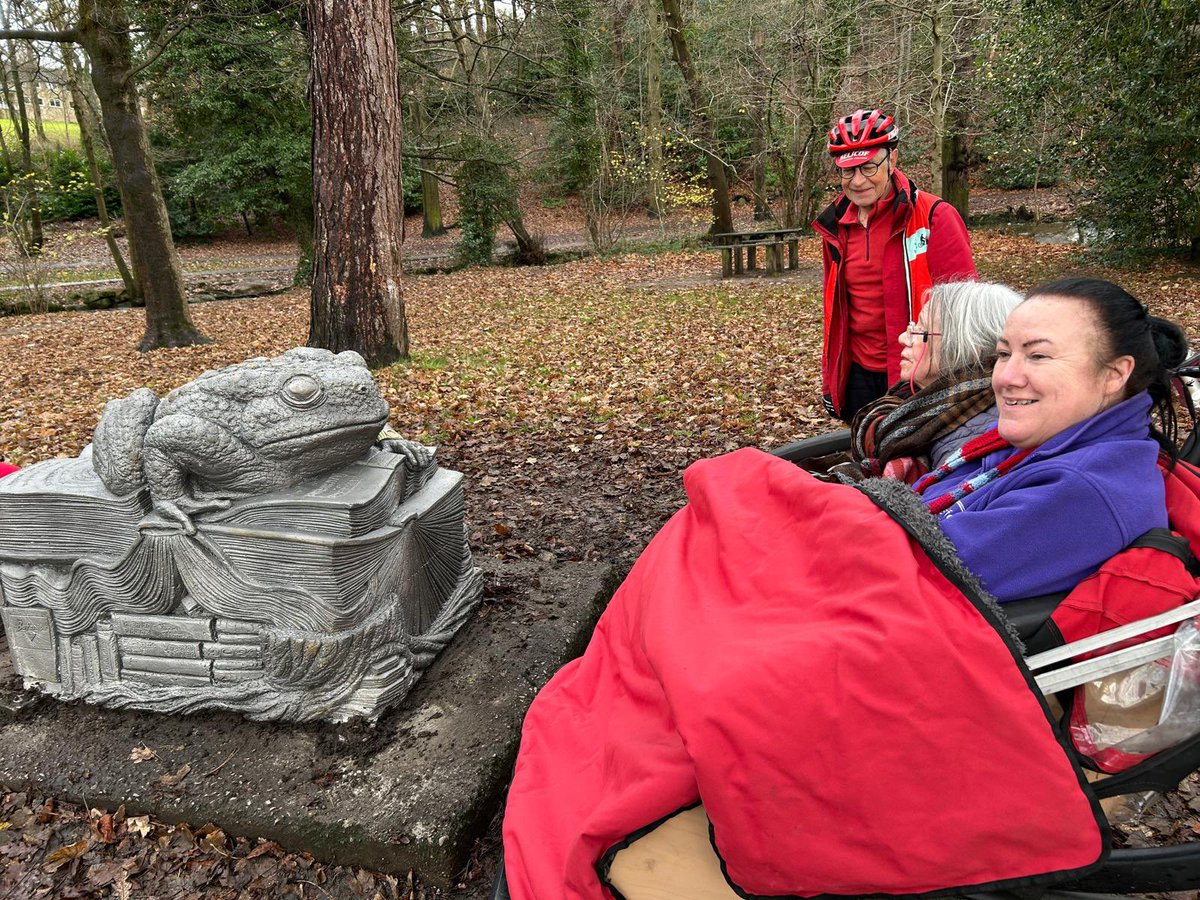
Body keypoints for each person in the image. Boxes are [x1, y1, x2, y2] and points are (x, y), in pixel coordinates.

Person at [916, 276, 1189, 601]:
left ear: (1114, 375)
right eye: (1004, 354)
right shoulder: (1035, 440)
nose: (1005, 377)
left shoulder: (1083, 491)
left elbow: (914, 573)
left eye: (1038, 356)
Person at [814, 108, 977, 423]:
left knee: (914, 465)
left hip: (918, 372)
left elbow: (966, 309)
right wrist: (831, 379)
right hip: (858, 373)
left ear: (892, 159)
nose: (858, 181)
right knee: (867, 457)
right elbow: (834, 313)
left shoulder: (934, 216)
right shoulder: (833, 226)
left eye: (869, 166)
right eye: (847, 171)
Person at [851, 280, 1022, 480]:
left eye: (921, 332)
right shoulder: (915, 399)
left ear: (965, 349)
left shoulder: (965, 446)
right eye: (912, 327)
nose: (903, 338)